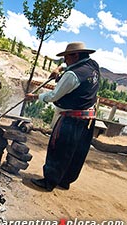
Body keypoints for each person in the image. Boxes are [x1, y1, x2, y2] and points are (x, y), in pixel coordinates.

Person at [25, 42, 100, 191]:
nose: (65, 61)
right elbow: (71, 68)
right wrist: (58, 69)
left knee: (58, 150)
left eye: (66, 57)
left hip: (72, 119)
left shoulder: (72, 75)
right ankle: (65, 181)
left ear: (76, 55)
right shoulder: (93, 65)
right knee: (76, 152)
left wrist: (35, 97)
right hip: (88, 120)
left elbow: (54, 95)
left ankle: (49, 182)